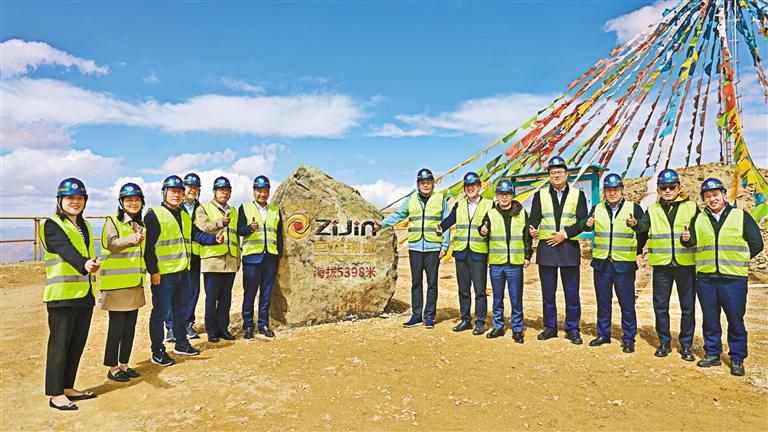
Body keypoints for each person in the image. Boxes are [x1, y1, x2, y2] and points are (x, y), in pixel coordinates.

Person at [681, 178, 764, 376]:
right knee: (710, 319)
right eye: (708, 196)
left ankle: (737, 357)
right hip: (706, 278)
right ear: (704, 199)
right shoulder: (698, 219)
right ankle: (712, 354)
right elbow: (691, 242)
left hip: (733, 279)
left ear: (724, 195)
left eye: (715, 195)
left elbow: (757, 243)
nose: (712, 199)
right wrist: (685, 240)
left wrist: (739, 259)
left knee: (735, 319)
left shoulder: (740, 216)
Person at [144, 175, 222, 366]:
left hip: (182, 272)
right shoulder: (154, 214)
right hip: (163, 274)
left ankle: (181, 343)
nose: (177, 195)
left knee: (181, 310)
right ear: (164, 193)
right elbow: (148, 247)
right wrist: (153, 271)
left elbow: (196, 235)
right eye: (173, 191)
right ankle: (157, 351)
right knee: (160, 313)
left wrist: (213, 239)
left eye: (179, 192)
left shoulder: (185, 216)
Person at [40, 178, 101, 410]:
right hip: (62, 295)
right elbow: (65, 249)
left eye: (79, 198)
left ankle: (67, 387)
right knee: (60, 345)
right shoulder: (51, 225)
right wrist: (84, 264)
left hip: (84, 294)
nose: (75, 202)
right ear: (60, 200)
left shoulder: (84, 226)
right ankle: (56, 394)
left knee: (76, 344)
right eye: (70, 198)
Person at [632, 168, 698, 361]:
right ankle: (664, 343)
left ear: (679, 188)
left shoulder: (692, 207)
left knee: (688, 308)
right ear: (658, 190)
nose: (668, 190)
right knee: (660, 306)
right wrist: (635, 224)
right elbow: (643, 228)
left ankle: (686, 346)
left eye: (671, 187)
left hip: (685, 265)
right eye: (663, 187)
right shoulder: (652, 210)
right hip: (661, 266)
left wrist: (690, 238)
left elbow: (700, 231)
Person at [374, 168, 450, 329]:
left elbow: (447, 222)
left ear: (433, 184)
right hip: (415, 247)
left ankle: (429, 317)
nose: (425, 185)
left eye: (428, 182)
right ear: (418, 184)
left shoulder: (440, 199)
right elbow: (398, 215)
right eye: (422, 182)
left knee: (432, 283)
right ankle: (416, 316)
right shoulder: (411, 199)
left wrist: (445, 245)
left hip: (433, 247)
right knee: (416, 282)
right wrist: (382, 224)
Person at [582, 173, 646, 353]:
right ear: (604, 192)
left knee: (627, 304)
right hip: (602, 264)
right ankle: (603, 334)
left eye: (615, 189)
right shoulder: (597, 208)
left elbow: (643, 231)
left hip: (624, 264)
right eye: (609, 190)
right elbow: (587, 226)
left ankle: (628, 338)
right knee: (603, 302)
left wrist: (636, 249)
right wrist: (587, 224)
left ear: (622, 190)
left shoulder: (634, 208)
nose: (612, 193)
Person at [528, 156, 588, 344]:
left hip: (569, 249)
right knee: (548, 294)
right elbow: (534, 218)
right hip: (547, 251)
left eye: (560, 171)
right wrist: (532, 229)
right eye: (553, 172)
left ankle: (572, 329)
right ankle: (550, 327)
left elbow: (583, 222)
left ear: (566, 174)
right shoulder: (540, 195)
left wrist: (565, 234)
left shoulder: (577, 195)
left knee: (572, 294)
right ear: (549, 175)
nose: (556, 175)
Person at [99, 182, 147, 382]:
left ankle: (124, 365)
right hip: (117, 284)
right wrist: (132, 239)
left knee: (130, 328)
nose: (133, 203)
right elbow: (111, 244)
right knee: (116, 329)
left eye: (137, 200)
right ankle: (112, 368)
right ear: (121, 202)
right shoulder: (112, 221)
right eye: (129, 200)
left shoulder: (140, 224)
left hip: (134, 283)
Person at [437, 172, 493, 335]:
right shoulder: (459, 205)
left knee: (480, 290)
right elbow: (450, 219)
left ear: (479, 187)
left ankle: (480, 322)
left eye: (473, 185)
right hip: (461, 252)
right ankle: (465, 320)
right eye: (468, 186)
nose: (471, 188)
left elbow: (493, 224)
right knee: (463, 289)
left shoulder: (489, 205)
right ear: (464, 188)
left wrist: (487, 230)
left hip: (478, 252)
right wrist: (441, 227)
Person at [478, 179, 533, 342]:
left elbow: (527, 237)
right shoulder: (491, 214)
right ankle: (498, 327)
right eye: (501, 194)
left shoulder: (522, 213)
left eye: (507, 194)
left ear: (512, 195)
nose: (504, 197)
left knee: (516, 298)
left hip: (515, 263)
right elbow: (483, 229)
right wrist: (482, 230)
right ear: (496, 196)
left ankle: (517, 329)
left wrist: (527, 256)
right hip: (496, 263)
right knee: (497, 298)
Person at [195, 176, 240, 342]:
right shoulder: (203, 208)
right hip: (212, 261)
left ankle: (223, 328)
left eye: (227, 190)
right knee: (211, 298)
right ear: (214, 191)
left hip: (230, 260)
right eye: (221, 190)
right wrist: (220, 222)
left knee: (226, 299)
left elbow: (235, 236)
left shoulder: (233, 210)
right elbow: (202, 228)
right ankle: (212, 331)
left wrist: (237, 259)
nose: (224, 193)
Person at [238, 175, 283, 339]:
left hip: (270, 257)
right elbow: (239, 230)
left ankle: (263, 324)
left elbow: (279, 234)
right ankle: (248, 326)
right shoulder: (245, 208)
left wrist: (279, 254)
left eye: (265, 191)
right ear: (254, 191)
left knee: (266, 294)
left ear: (269, 192)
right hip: (252, 258)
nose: (262, 194)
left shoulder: (275, 210)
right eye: (259, 190)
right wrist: (249, 228)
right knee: (249, 293)